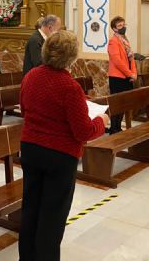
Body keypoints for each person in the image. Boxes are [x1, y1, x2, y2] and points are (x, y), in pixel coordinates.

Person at [19, 30, 108, 260]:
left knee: (30, 209)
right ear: (71, 58)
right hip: (59, 156)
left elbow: (26, 108)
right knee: (52, 215)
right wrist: (101, 121)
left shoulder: (31, 76)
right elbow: (83, 132)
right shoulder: (69, 87)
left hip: (30, 148)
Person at [107, 16, 137, 134]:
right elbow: (117, 61)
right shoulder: (113, 41)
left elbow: (131, 58)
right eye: (120, 26)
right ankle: (114, 129)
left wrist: (133, 73)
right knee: (117, 105)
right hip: (117, 78)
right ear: (114, 29)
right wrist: (129, 73)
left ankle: (118, 128)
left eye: (124, 25)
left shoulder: (125, 40)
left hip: (127, 77)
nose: (123, 27)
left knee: (124, 104)